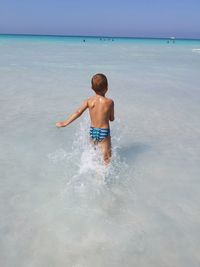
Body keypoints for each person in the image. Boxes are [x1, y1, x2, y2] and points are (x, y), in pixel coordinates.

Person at [56, 73, 115, 164]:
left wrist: (64, 123)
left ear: (92, 88)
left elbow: (78, 112)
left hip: (93, 131)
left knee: (93, 153)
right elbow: (111, 118)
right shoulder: (109, 102)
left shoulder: (89, 101)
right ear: (107, 87)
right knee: (107, 158)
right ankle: (102, 177)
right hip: (104, 132)